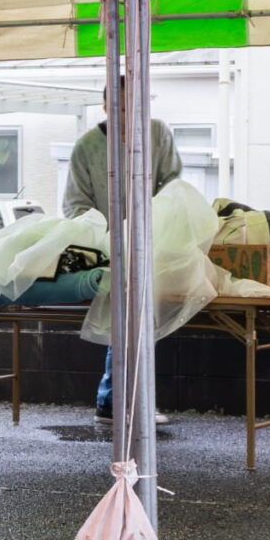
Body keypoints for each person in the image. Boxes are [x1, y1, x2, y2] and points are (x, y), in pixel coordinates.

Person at [63, 115, 182, 420]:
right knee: (128, 320)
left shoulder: (157, 132)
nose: (129, 112)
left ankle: (117, 400)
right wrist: (102, 238)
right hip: (106, 247)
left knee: (136, 321)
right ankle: (120, 400)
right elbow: (75, 205)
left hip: (152, 241)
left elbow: (173, 185)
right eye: (122, 102)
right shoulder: (88, 146)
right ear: (108, 104)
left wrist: (160, 223)